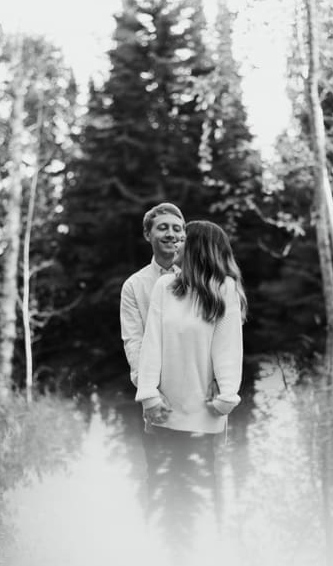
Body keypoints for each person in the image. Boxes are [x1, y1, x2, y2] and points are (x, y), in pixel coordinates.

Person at [134, 220, 247, 545]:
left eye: (183, 240)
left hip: (204, 417)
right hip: (164, 412)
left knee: (203, 499)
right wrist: (148, 395)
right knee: (161, 497)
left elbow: (228, 346)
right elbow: (151, 343)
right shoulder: (165, 287)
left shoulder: (224, 288)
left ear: (198, 248)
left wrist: (227, 397)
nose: (176, 244)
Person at [119, 203, 186, 490]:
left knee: (208, 484)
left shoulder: (202, 278)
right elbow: (134, 342)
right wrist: (150, 393)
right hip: (160, 400)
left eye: (177, 228)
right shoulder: (134, 286)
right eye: (163, 228)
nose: (171, 234)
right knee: (161, 484)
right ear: (148, 234)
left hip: (203, 398)